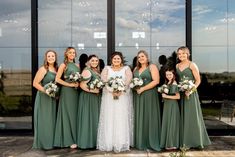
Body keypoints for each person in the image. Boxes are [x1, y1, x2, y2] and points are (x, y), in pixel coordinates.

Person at [97, 51, 133, 152]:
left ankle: (121, 142)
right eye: (114, 59)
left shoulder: (126, 69)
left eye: (118, 58)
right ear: (111, 60)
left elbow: (128, 80)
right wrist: (111, 90)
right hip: (109, 97)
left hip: (122, 96)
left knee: (121, 117)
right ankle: (109, 142)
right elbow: (104, 80)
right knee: (110, 117)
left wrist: (121, 90)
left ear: (121, 60)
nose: (116, 60)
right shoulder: (106, 68)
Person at [176, 46, 211, 149]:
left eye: (183, 53)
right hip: (181, 94)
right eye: (179, 54)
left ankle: (196, 141)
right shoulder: (177, 65)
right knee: (183, 117)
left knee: (192, 117)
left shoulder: (192, 65)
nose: (181, 55)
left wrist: (190, 91)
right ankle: (184, 142)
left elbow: (198, 81)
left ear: (188, 54)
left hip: (190, 95)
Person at [133, 50, 161, 151]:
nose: (141, 58)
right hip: (138, 95)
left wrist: (143, 89)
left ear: (147, 57)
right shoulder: (136, 68)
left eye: (142, 56)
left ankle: (150, 141)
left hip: (149, 94)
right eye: (139, 57)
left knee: (149, 116)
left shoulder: (152, 67)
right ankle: (140, 141)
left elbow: (156, 81)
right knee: (140, 116)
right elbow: (133, 81)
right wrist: (135, 88)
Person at [54, 47, 80, 149]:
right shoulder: (63, 65)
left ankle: (76, 138)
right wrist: (69, 85)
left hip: (75, 93)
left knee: (74, 115)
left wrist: (77, 83)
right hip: (67, 92)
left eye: (74, 52)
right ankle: (68, 140)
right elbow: (57, 79)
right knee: (67, 114)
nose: (72, 54)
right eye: (70, 52)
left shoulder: (77, 65)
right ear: (66, 54)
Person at [32, 50, 58, 149]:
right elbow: (35, 83)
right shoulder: (43, 69)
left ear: (55, 57)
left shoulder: (56, 69)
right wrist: (46, 91)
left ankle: (50, 142)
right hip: (43, 98)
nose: (51, 57)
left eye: (53, 56)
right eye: (49, 56)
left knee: (51, 120)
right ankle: (43, 143)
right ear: (46, 58)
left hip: (52, 98)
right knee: (44, 120)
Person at [76, 55, 101, 149]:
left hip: (94, 98)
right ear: (89, 62)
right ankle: (86, 142)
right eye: (93, 60)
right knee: (88, 118)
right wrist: (94, 91)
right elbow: (82, 85)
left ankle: (94, 141)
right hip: (88, 98)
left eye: (96, 60)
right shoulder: (87, 70)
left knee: (94, 119)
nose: (95, 62)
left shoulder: (96, 71)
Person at [160, 68, 180, 150]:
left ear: (174, 75)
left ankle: (172, 143)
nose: (168, 76)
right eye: (167, 75)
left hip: (172, 105)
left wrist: (166, 96)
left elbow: (178, 97)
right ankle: (167, 142)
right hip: (167, 105)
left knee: (172, 123)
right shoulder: (167, 82)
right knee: (168, 122)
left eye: (170, 74)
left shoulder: (174, 83)